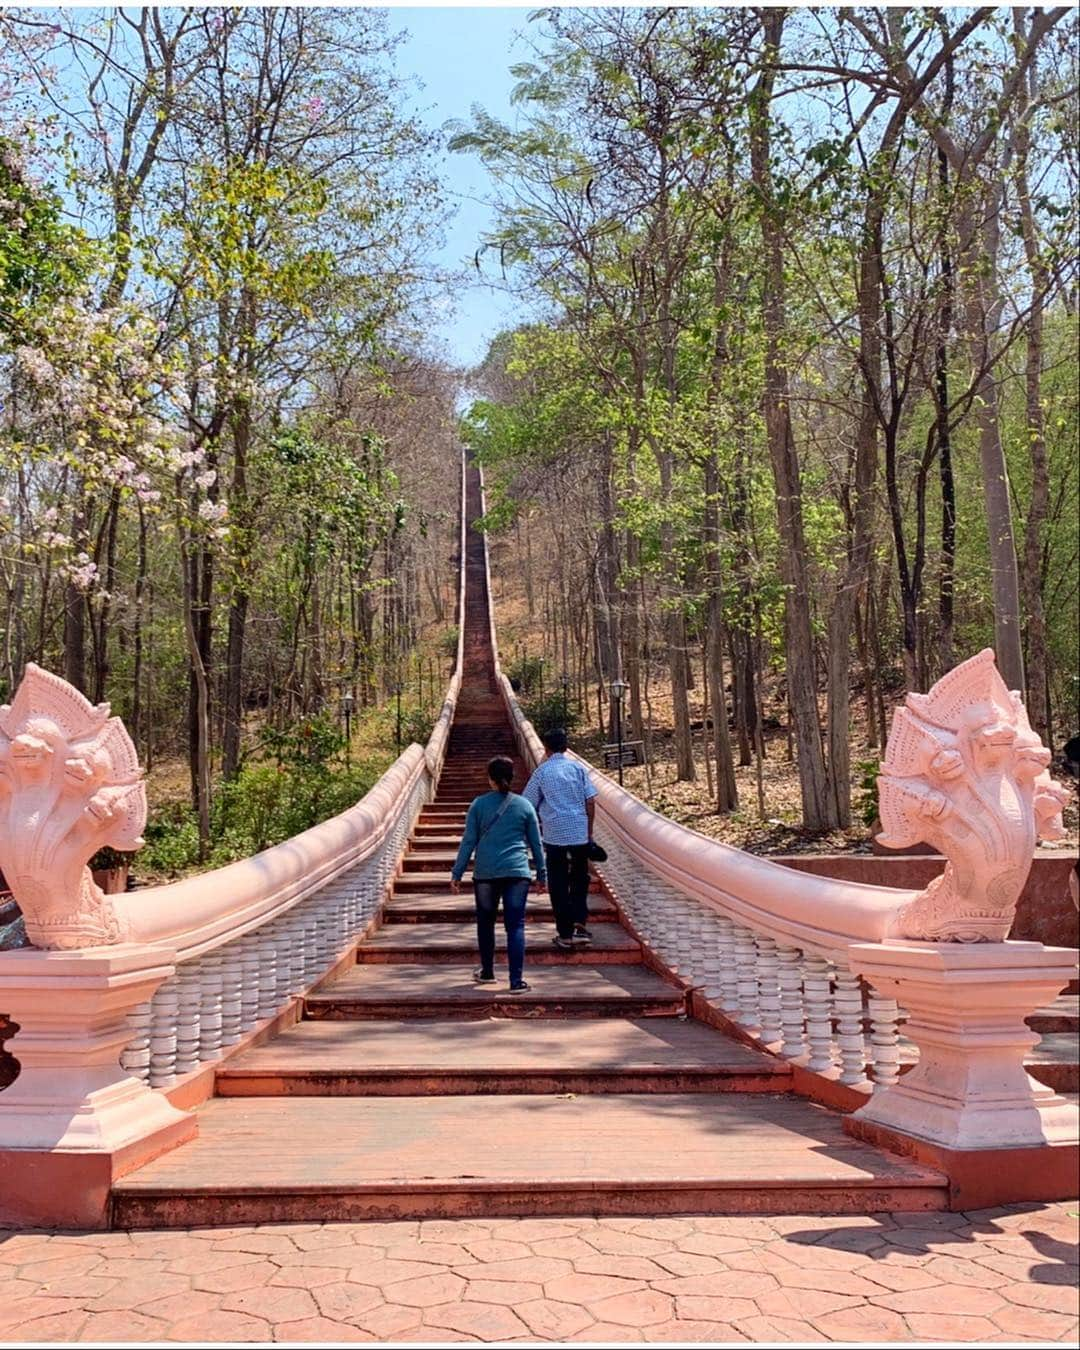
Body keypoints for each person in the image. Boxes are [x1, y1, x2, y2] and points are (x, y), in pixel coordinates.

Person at [450, 755, 546, 993]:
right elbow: (536, 844)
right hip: (517, 872)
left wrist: (457, 872)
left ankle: (487, 972)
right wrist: (542, 874)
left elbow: (468, 841)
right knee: (516, 927)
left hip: (486, 873)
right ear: (511, 778)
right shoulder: (525, 806)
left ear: (490, 779)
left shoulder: (478, 805)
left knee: (485, 924)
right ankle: (516, 982)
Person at [522, 727, 598, 951]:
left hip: (554, 835)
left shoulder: (542, 773)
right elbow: (591, 801)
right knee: (580, 878)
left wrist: (532, 833)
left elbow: (527, 804)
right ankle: (579, 925)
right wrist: (589, 831)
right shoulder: (578, 769)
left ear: (545, 749)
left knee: (558, 882)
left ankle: (564, 933)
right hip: (579, 834)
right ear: (566, 747)